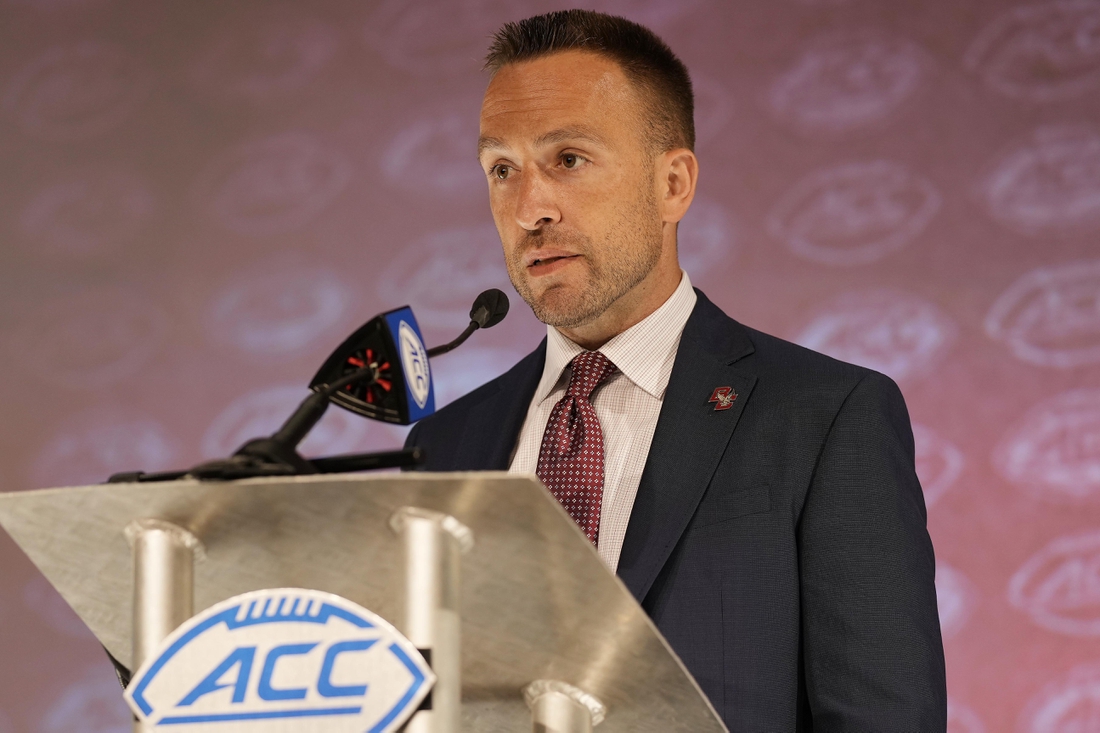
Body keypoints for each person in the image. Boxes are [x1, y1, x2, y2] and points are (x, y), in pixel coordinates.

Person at [405, 9, 947, 730]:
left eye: (568, 159)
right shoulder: (443, 449)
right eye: (502, 170)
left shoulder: (824, 417)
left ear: (674, 184)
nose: (530, 206)